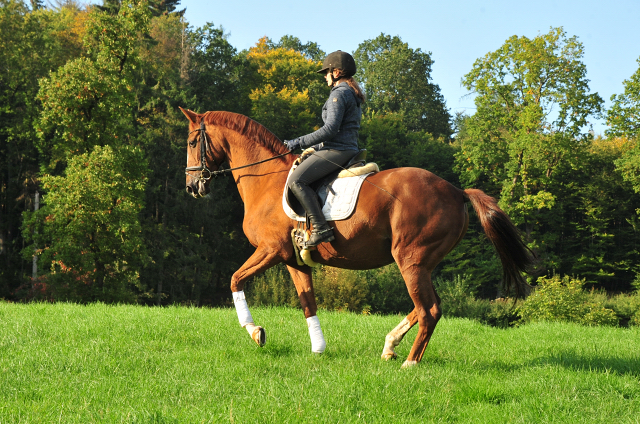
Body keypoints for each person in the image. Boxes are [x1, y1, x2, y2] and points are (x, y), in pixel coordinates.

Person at [284, 50, 366, 248]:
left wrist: (297, 142)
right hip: (345, 147)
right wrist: (314, 146)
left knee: (297, 180)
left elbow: (330, 129)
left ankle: (321, 228)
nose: (325, 78)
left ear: (336, 72)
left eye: (326, 73)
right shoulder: (351, 92)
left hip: (338, 151)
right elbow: (341, 131)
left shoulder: (340, 93)